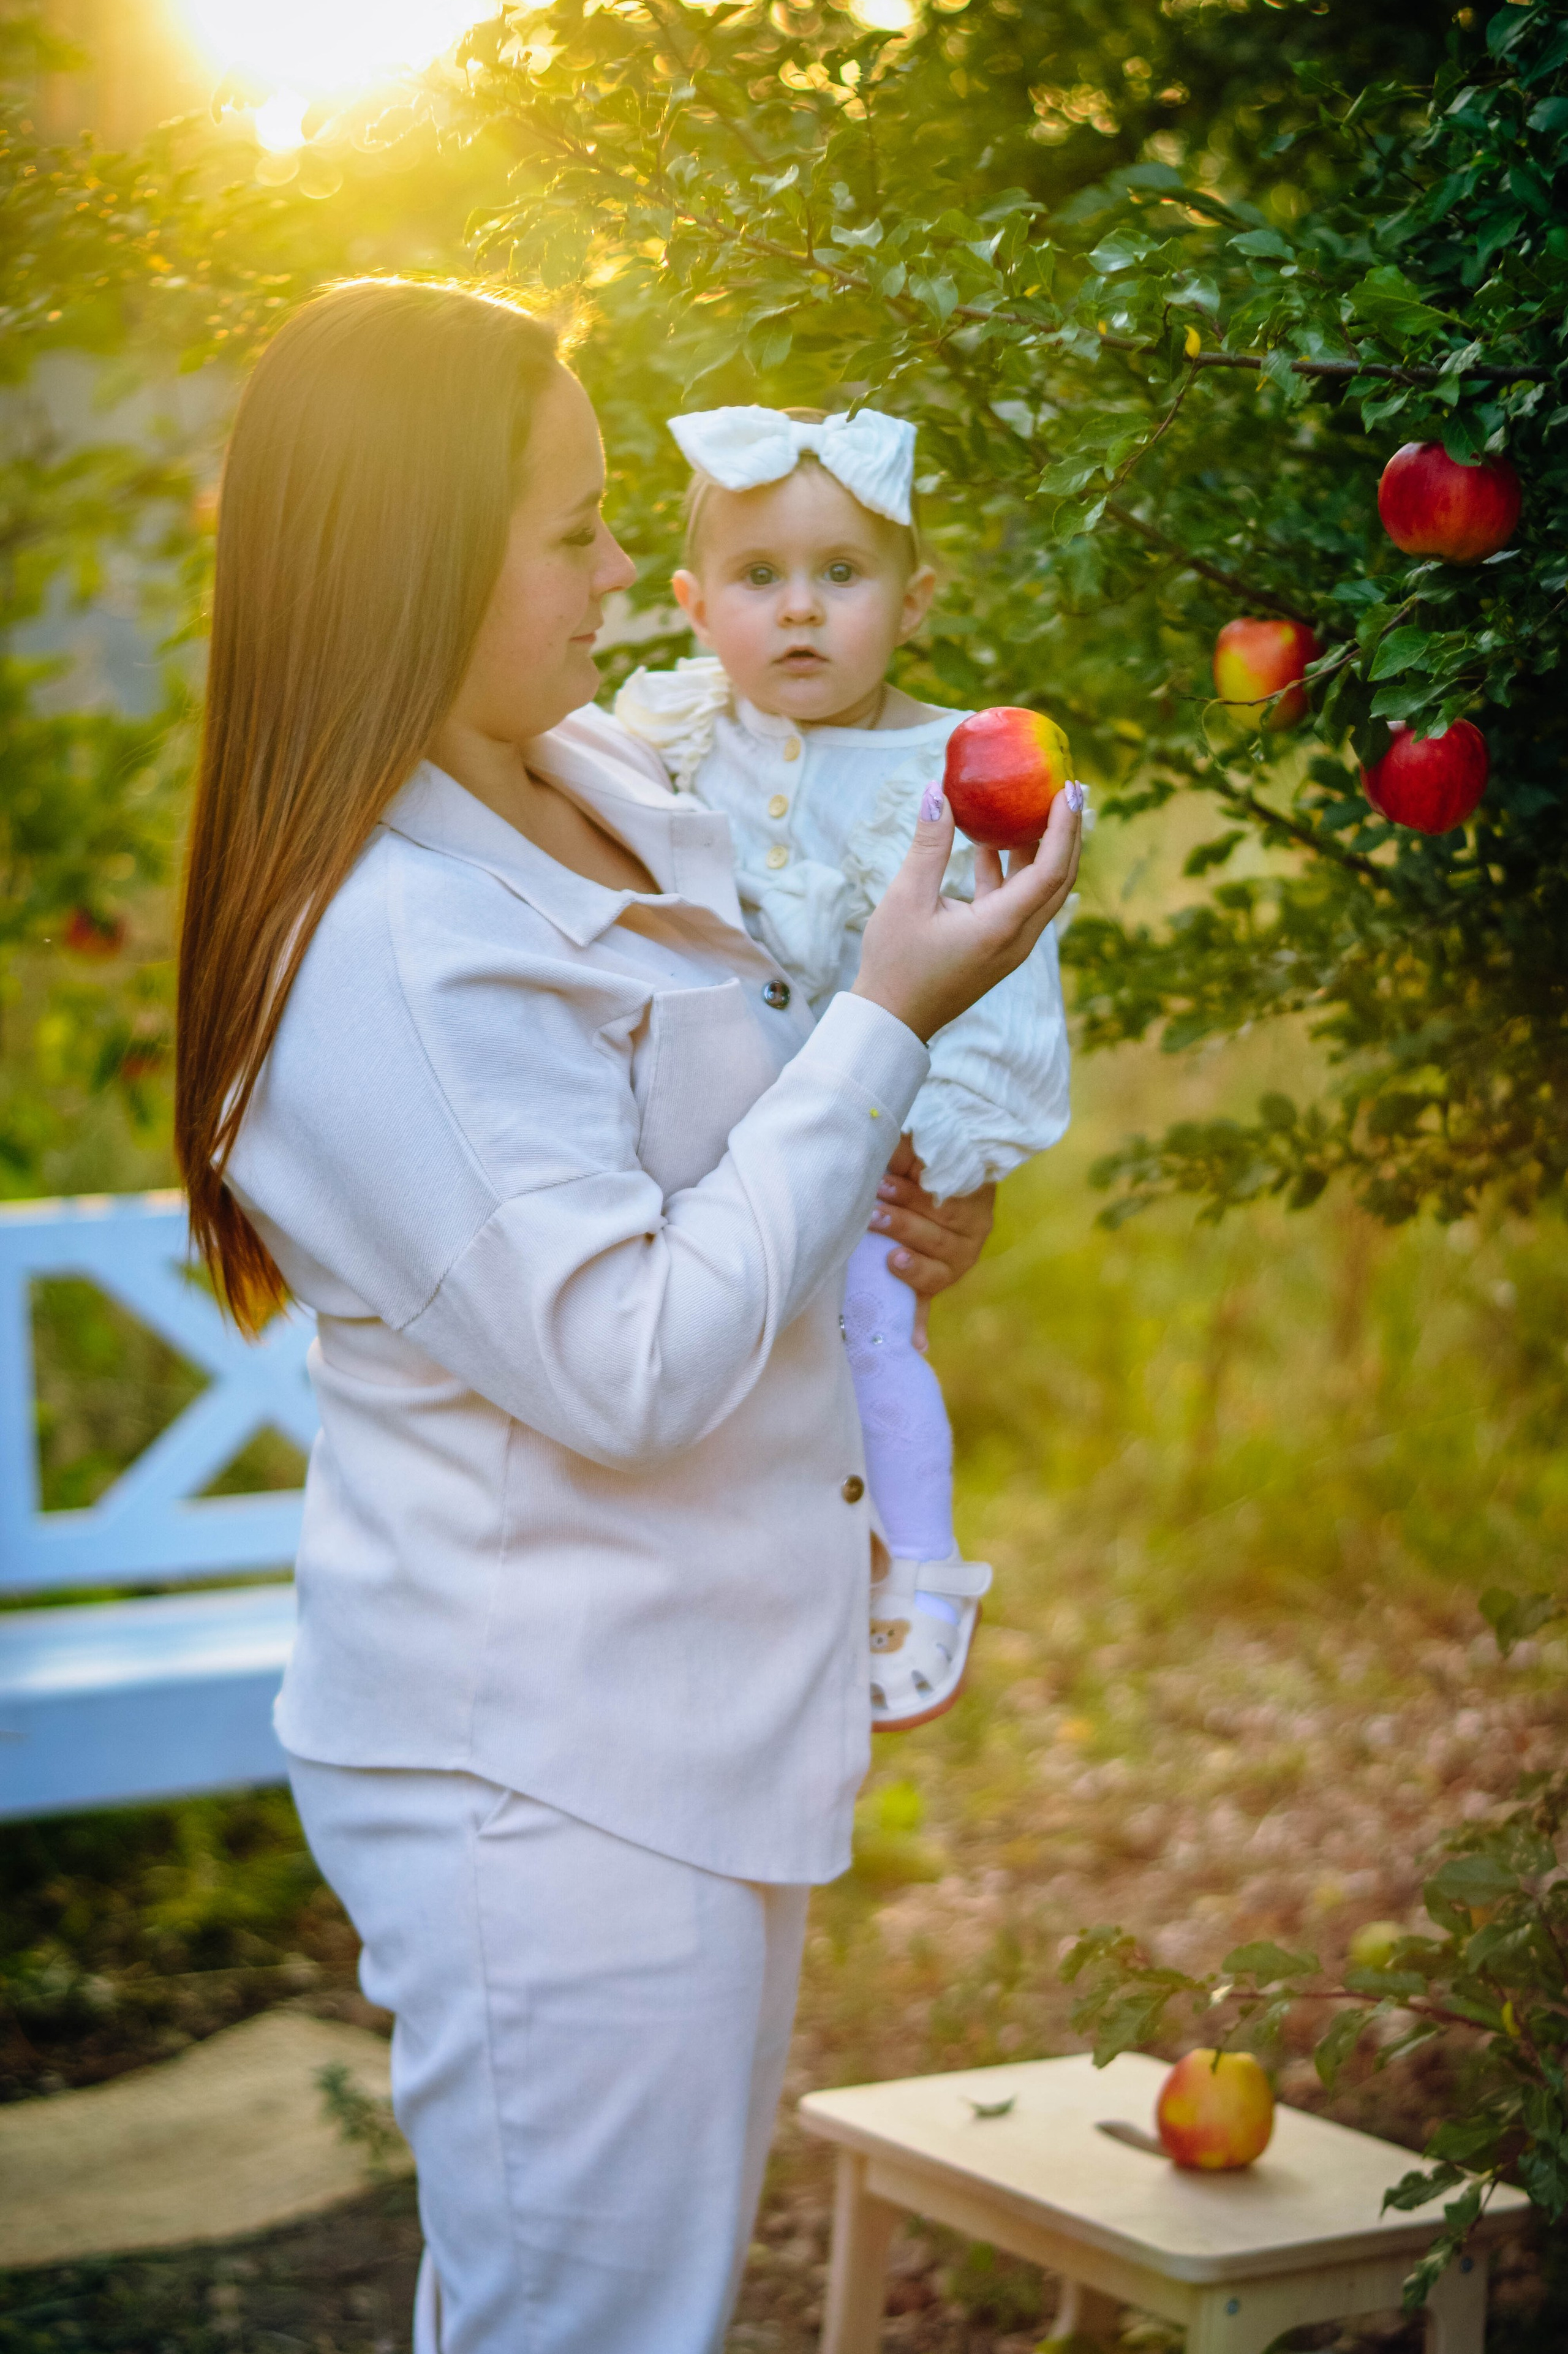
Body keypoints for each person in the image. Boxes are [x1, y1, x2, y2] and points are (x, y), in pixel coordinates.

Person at [174, 279, 1081, 2354]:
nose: (624, 575)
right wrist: (879, 1026)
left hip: (683, 1704)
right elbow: (632, 1362)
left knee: (593, 2309)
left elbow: (725, 1177)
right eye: (576, 531)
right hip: (552, 1767)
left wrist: (896, 1177)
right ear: (418, 565)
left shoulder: (575, 772)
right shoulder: (388, 954)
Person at [616, 403, 1077, 1730]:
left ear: (914, 598)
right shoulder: (673, 736)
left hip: (868, 1138)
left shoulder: (947, 771)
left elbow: (996, 961)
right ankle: (759, 1590)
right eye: (760, 579)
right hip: (703, 1141)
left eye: (841, 574)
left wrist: (950, 1147)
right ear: (696, 605)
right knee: (727, 1367)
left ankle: (919, 1561)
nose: (800, 612)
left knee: (872, 1329)